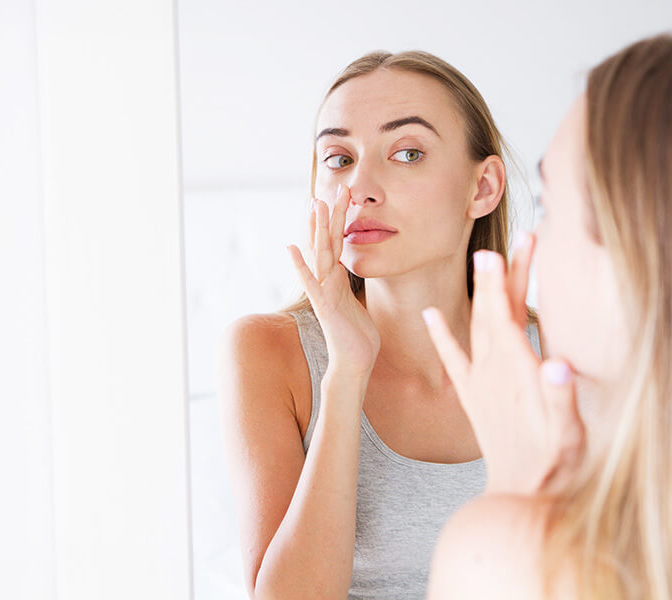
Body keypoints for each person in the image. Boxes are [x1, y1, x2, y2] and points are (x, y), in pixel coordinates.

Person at [217, 50, 540, 600]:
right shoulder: (268, 353)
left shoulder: (555, 355)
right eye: (338, 159)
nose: (359, 187)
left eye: (407, 152)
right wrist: (346, 374)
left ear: (483, 187)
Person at [424, 32, 672, 600]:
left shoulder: (512, 556)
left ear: (639, 251)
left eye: (548, 204)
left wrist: (516, 493)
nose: (534, 239)